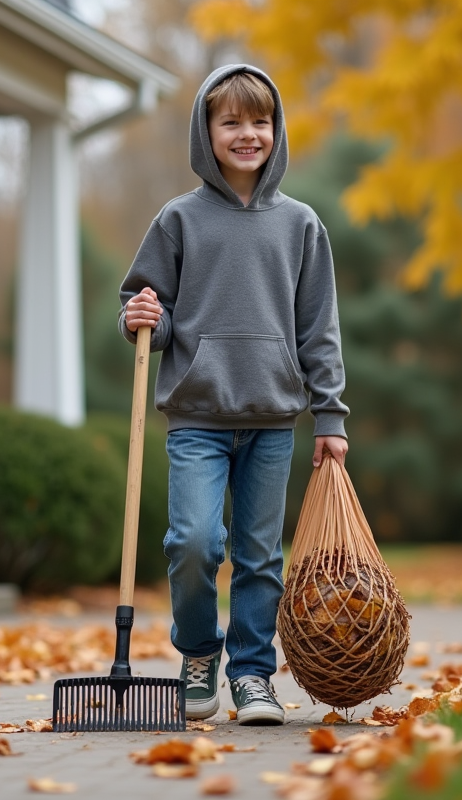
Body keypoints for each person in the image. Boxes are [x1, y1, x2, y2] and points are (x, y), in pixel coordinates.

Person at [118, 65, 349, 726]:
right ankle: (198, 655)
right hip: (197, 415)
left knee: (259, 559)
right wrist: (139, 320)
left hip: (274, 418)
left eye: (260, 121)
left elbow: (319, 330)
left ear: (276, 131)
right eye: (231, 122)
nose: (247, 134)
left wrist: (329, 414)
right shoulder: (178, 221)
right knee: (193, 543)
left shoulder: (302, 226)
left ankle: (252, 675)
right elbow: (142, 311)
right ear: (206, 131)